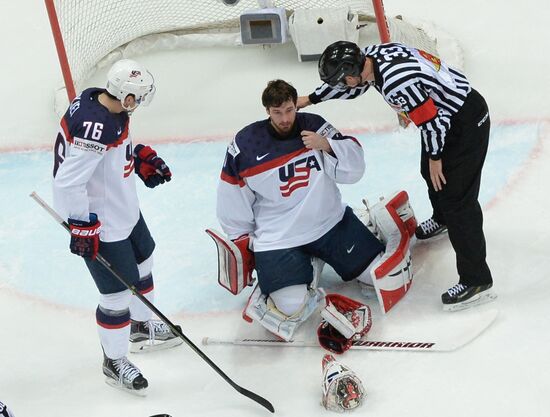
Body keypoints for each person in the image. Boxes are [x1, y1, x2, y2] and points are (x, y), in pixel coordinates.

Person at [213, 79, 416, 343]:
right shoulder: (246, 144)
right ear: (267, 111)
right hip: (279, 237)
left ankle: (332, 248)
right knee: (290, 308)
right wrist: (244, 240)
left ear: (295, 105)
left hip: (329, 224)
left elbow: (354, 169)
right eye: (277, 113)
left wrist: (328, 145)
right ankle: (305, 264)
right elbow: (231, 195)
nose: (285, 118)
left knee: (377, 276)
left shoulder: (315, 126)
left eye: (289, 110)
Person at [297, 41, 494, 310]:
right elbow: (355, 88)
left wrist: (437, 157)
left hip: (463, 121)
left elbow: (433, 122)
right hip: (446, 115)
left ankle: (476, 279)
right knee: (430, 174)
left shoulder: (397, 83)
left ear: (353, 73)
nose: (343, 85)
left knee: (457, 199)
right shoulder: (372, 54)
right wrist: (311, 99)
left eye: (343, 80)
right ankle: (443, 219)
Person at [52, 59, 181, 395]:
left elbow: (107, 155)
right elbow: (67, 183)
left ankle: (140, 327)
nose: (137, 104)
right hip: (101, 222)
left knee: (144, 263)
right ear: (126, 98)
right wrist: (81, 225)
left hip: (125, 207)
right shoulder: (96, 127)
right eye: (136, 98)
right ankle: (115, 361)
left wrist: (135, 158)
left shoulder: (101, 103)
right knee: (115, 296)